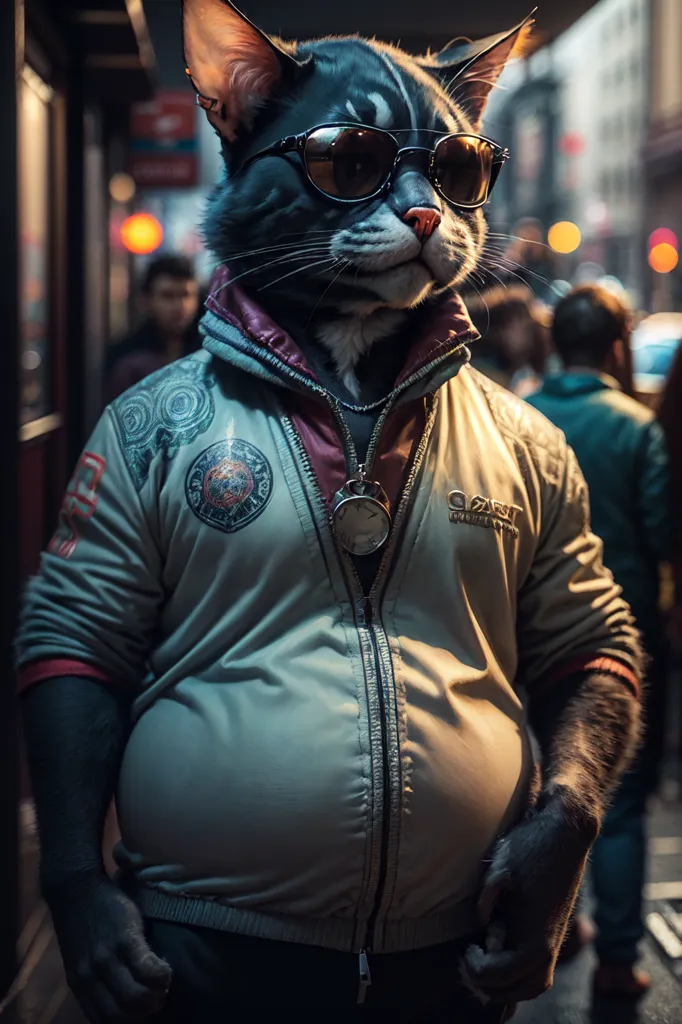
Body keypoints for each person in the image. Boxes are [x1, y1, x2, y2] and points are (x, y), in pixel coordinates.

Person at [17, 3, 642, 1021]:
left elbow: (594, 645)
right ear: (238, 117)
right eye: (354, 162)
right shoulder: (153, 426)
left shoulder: (526, 441)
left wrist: (569, 815)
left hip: (451, 956)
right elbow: (71, 644)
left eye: (453, 170)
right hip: (206, 954)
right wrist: (76, 884)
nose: (423, 210)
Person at [527, 284, 672, 998]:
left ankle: (561, 925)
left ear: (556, 345)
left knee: (546, 780)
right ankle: (618, 957)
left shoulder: (517, 421)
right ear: (616, 349)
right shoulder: (636, 428)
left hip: (532, 630)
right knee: (621, 792)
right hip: (625, 636)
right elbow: (663, 532)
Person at [104, 255, 202, 403]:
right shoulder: (128, 358)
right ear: (146, 301)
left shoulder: (207, 350)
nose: (180, 306)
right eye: (168, 296)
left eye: (186, 295)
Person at [466, 284, 552, 397]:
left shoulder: (536, 369)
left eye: (525, 323)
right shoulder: (481, 372)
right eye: (512, 324)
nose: (520, 331)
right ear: (498, 330)